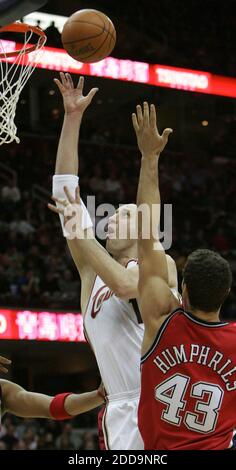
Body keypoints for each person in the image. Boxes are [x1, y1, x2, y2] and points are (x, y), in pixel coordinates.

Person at [49, 73, 178, 450]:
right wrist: (72, 118)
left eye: (122, 214)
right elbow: (65, 190)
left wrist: (148, 159)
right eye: (111, 215)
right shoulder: (91, 272)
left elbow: (125, 285)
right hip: (120, 409)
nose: (111, 219)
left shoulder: (162, 266)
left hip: (165, 398)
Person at [132, 102, 236, 450]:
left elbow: (146, 236)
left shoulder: (161, 316)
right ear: (227, 292)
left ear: (183, 288)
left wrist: (149, 158)